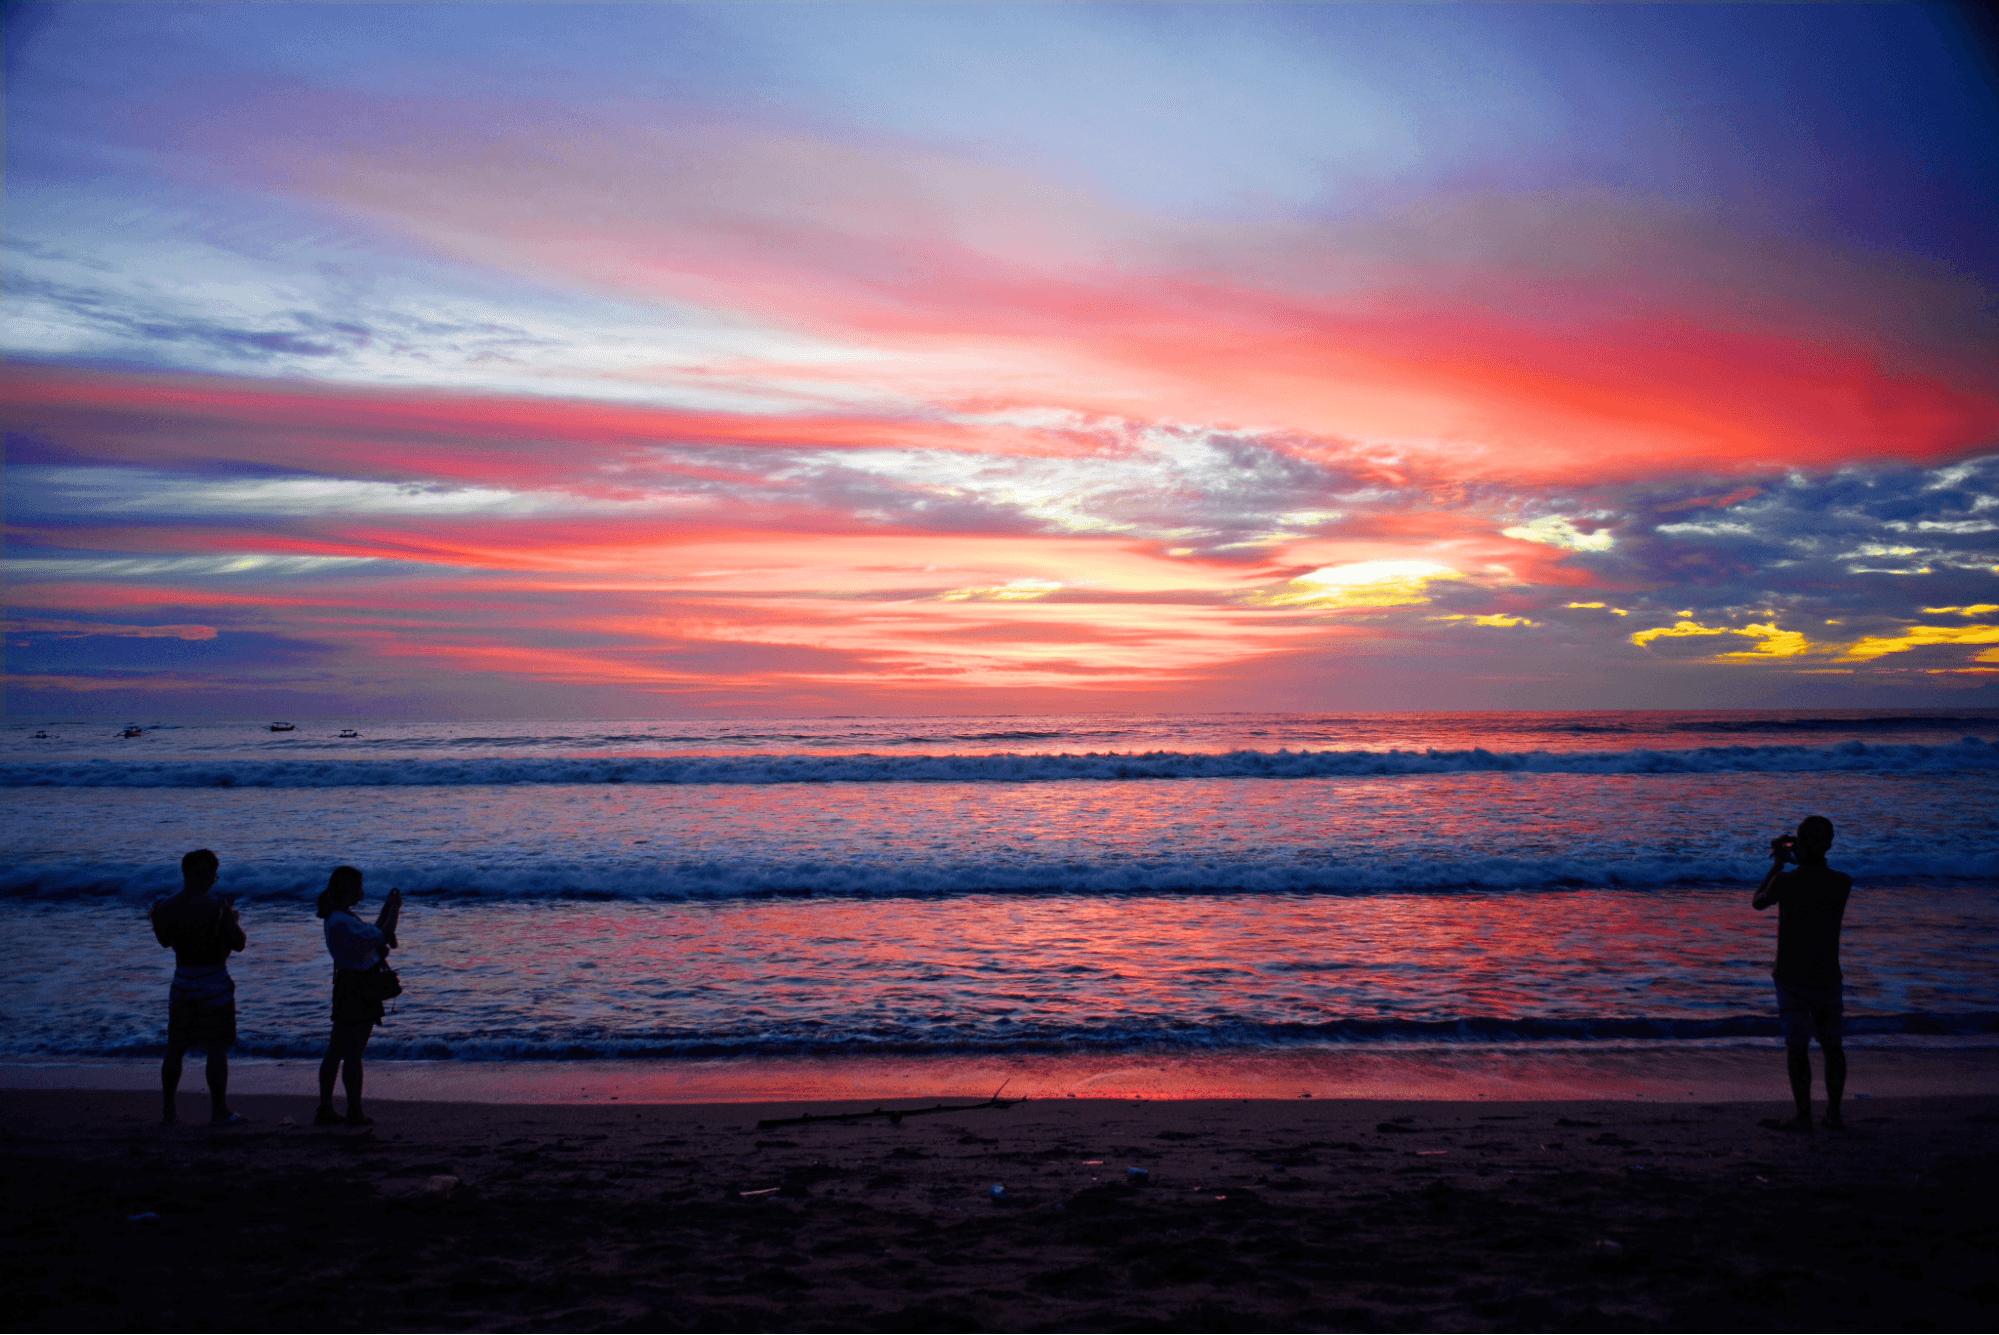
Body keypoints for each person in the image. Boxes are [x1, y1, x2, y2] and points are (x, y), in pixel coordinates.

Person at [1752, 815, 1854, 1131]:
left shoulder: (1787, 881)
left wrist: (1778, 863)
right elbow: (1815, 870)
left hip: (1791, 976)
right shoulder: (1841, 882)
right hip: (1827, 976)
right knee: (1832, 1046)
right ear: (1830, 844)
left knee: (1797, 1048)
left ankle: (1803, 1115)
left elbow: (1757, 902)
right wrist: (1798, 855)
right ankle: (1834, 1115)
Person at [150, 848, 247, 1125]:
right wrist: (234, 920)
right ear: (207, 876)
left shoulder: (163, 908)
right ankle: (218, 1110)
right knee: (216, 1048)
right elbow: (239, 944)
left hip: (182, 981)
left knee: (176, 1048)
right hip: (214, 981)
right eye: (214, 876)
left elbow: (165, 942)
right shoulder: (218, 909)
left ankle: (169, 1110)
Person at [314, 866, 402, 1128]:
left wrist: (387, 909)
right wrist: (395, 910)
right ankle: (354, 1110)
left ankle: (326, 1107)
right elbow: (380, 935)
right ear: (348, 891)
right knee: (352, 1054)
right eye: (359, 888)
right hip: (359, 987)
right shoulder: (341, 921)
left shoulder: (340, 918)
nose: (362, 893)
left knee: (336, 1051)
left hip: (348, 985)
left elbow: (372, 935)